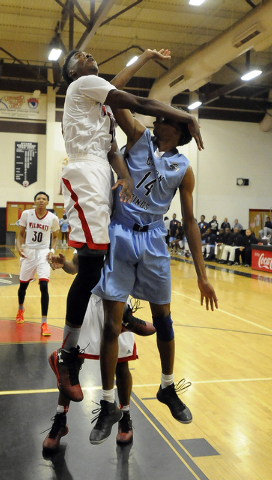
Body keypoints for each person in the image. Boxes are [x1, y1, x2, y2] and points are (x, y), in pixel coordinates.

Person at [48, 48, 204, 406]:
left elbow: (114, 134)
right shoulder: (83, 86)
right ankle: (68, 354)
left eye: (90, 53)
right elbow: (130, 99)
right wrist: (183, 114)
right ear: (72, 72)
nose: (89, 55)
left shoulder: (98, 107)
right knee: (93, 258)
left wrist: (145, 56)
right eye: (81, 55)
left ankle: (121, 321)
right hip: (86, 172)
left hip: (107, 180)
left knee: (96, 260)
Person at [90, 108, 218, 445]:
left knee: (164, 319)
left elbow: (190, 222)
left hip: (154, 237)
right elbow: (119, 100)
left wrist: (202, 275)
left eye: (165, 120)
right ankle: (107, 403)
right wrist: (179, 113)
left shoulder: (184, 169)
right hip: (120, 233)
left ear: (177, 131)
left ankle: (166, 386)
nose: (156, 120)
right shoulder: (138, 136)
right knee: (111, 325)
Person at [44, 252, 155, 453]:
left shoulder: (122, 233)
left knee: (121, 364)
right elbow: (76, 265)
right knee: (70, 365)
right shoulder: (92, 231)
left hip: (116, 302)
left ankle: (125, 417)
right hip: (86, 302)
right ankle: (60, 420)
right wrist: (65, 265)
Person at [15, 192, 59, 336]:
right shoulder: (27, 214)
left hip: (43, 253)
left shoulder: (53, 218)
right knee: (23, 286)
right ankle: (21, 309)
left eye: (44, 199)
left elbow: (55, 237)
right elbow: (21, 234)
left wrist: (52, 250)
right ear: (34, 201)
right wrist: (18, 246)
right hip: (29, 251)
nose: (41, 200)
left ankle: (44, 322)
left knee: (44, 286)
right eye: (38, 198)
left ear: (47, 202)